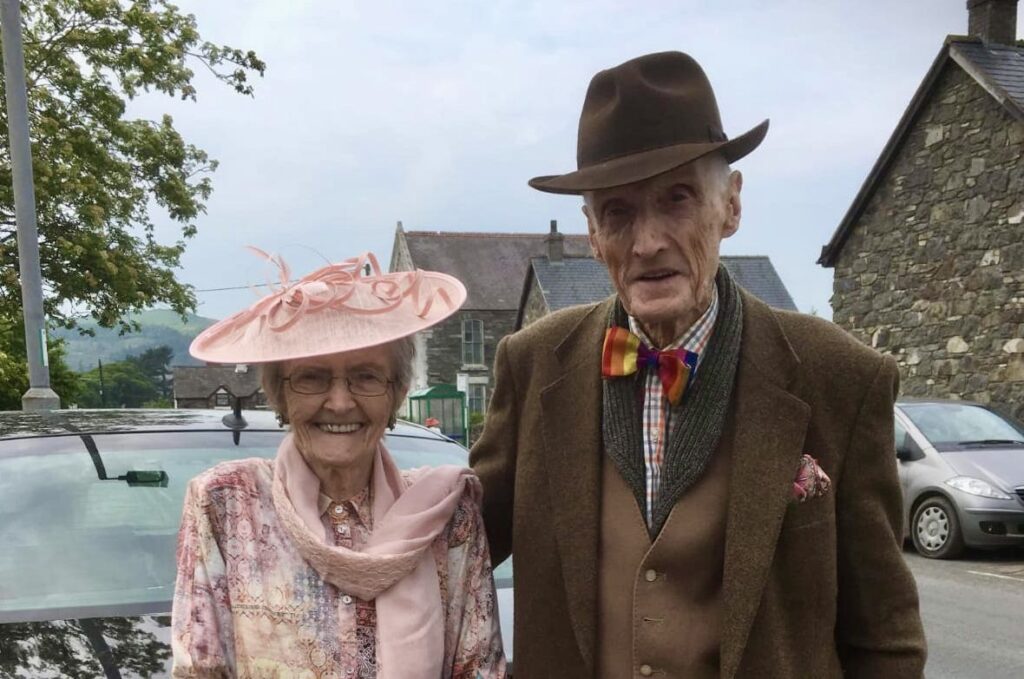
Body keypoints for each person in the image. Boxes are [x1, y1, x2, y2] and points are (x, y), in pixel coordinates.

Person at [470, 51, 926, 678]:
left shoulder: (840, 378)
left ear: (730, 205)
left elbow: (885, 639)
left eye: (677, 198)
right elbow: (448, 555)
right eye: (619, 212)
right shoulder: (531, 365)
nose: (648, 240)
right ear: (593, 234)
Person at [172, 251, 507, 678]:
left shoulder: (446, 514)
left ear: (397, 394)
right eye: (312, 377)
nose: (341, 402)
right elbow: (200, 668)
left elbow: (479, 669)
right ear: (280, 394)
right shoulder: (225, 502)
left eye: (366, 377)